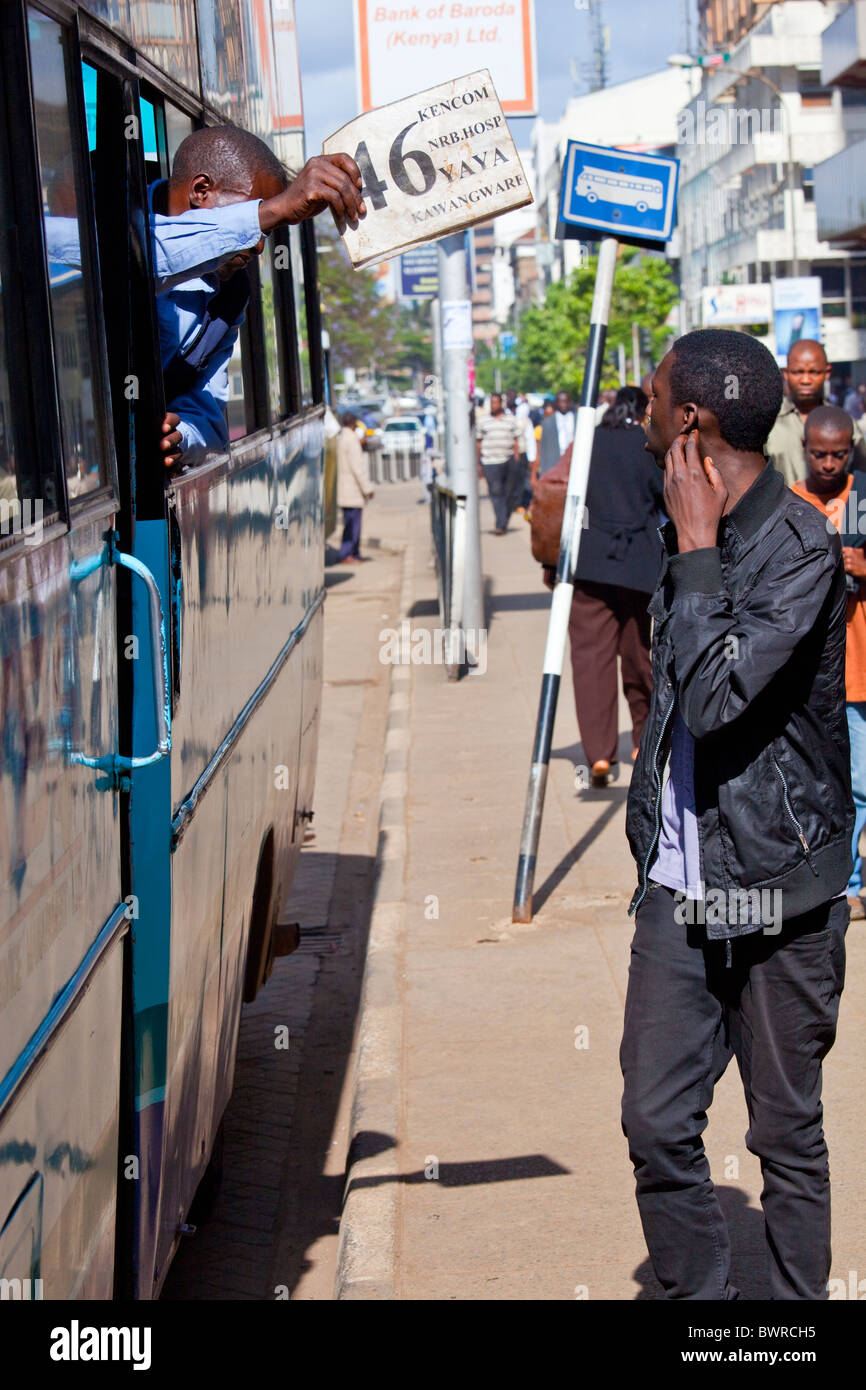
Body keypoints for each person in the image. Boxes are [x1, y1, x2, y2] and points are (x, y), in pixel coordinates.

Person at [621, 328, 852, 1301]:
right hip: (679, 888)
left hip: (773, 890)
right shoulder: (677, 515)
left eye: (651, 396)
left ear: (690, 421)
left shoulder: (797, 547)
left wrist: (701, 549)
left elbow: (715, 698)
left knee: (781, 1132)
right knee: (654, 1122)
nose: (638, 410)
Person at [152, 130, 364, 469]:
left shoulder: (230, 295)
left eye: (265, 232)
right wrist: (273, 210)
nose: (258, 246)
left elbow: (206, 420)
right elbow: (133, 258)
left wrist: (181, 439)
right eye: (255, 220)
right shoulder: (98, 223)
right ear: (201, 191)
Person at [545, 386, 664, 788]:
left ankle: (598, 755)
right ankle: (643, 738)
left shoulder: (586, 444)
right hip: (639, 567)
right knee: (639, 654)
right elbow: (662, 497)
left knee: (591, 660)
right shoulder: (647, 444)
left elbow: (560, 493)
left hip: (589, 564)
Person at [790, 406, 866, 920]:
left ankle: (855, 882)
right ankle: (838, 881)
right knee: (825, 782)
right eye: (820, 454)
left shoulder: (862, 496)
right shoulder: (791, 500)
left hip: (860, 660)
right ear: (804, 448)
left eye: (840, 454)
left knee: (860, 781)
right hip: (814, 670)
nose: (830, 464)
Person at [766, 338, 866, 484]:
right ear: (786, 373)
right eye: (798, 372)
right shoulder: (767, 424)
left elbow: (861, 475)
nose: (806, 380)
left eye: (813, 372)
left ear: (827, 373)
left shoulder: (845, 424)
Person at [475, 393, 523, 534]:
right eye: (492, 402)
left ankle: (504, 518)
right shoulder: (483, 421)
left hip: (508, 460)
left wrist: (516, 458)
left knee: (509, 492)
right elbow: (478, 443)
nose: (493, 405)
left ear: (501, 403)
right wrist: (479, 462)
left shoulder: (511, 420)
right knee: (496, 492)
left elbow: (516, 441)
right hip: (490, 461)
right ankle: (500, 523)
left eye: (496, 402)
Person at [336, 412, 373, 561]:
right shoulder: (351, 441)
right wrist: (368, 489)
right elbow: (358, 468)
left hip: (346, 488)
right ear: (354, 424)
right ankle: (349, 554)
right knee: (353, 525)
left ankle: (352, 553)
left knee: (349, 523)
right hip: (352, 489)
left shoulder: (341, 438)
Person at [538, 390, 575, 478]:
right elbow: (543, 448)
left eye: (566, 401)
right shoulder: (547, 422)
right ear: (556, 403)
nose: (563, 405)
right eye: (561, 402)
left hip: (573, 463)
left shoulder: (578, 419)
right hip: (555, 464)